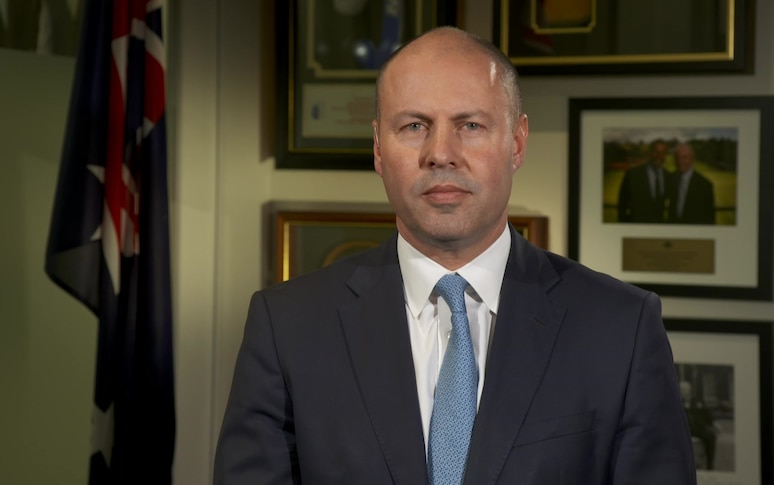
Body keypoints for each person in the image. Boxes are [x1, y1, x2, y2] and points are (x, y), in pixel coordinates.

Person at [214, 26, 696, 484]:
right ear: (379, 148)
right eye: (414, 125)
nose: (440, 153)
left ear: (517, 142)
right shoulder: (288, 327)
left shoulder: (621, 327)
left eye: (469, 124)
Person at [617, 139, 671, 223]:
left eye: (663, 152)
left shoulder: (668, 176)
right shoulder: (633, 174)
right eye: (656, 152)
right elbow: (622, 205)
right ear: (649, 153)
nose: (659, 156)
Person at [668, 143, 716, 224]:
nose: (680, 161)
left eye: (684, 157)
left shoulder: (705, 185)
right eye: (677, 157)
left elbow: (710, 218)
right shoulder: (670, 178)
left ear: (692, 159)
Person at [679, 380, 718, 470]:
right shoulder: (676, 403)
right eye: (681, 390)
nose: (683, 392)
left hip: (698, 429)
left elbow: (706, 414)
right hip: (683, 430)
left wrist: (713, 423)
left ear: (690, 391)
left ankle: (710, 465)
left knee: (711, 436)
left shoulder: (697, 402)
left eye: (685, 390)